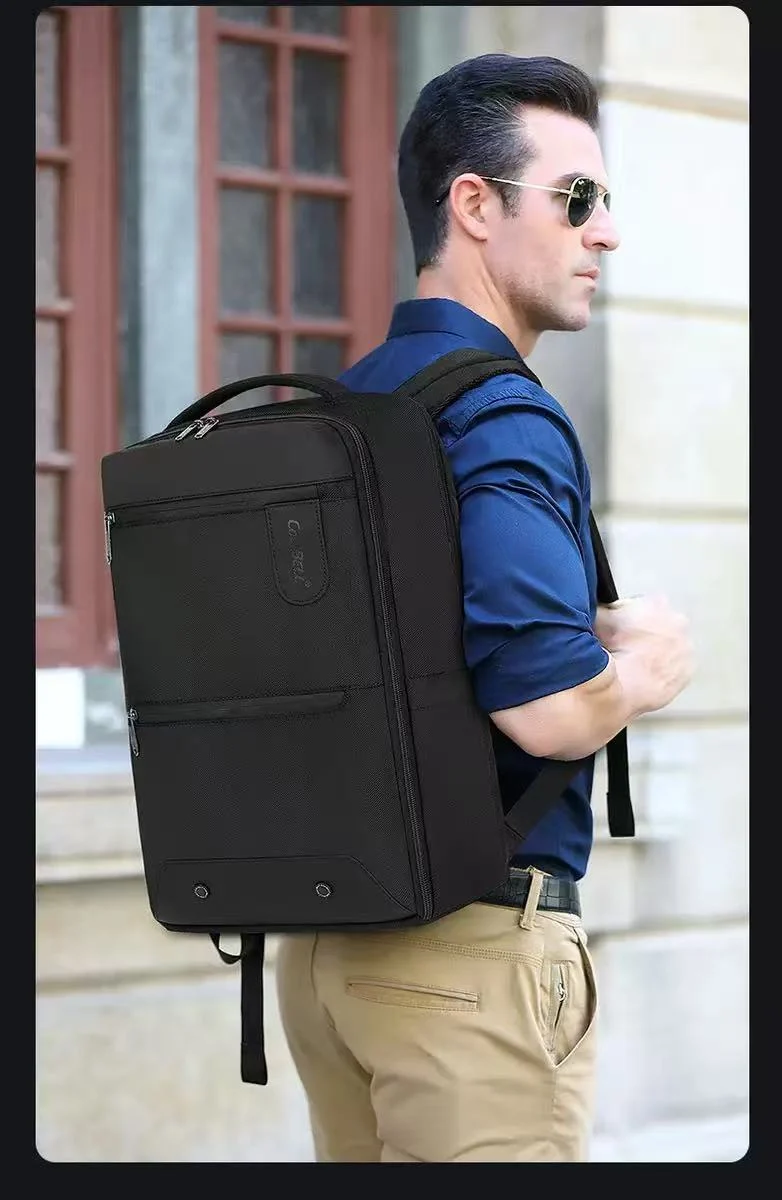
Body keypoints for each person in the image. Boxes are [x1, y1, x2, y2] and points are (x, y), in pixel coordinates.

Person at [274, 53, 694, 1163]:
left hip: (328, 956)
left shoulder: (353, 400)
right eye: (576, 198)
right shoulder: (500, 414)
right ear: (473, 205)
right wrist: (643, 669)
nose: (605, 232)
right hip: (467, 961)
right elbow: (546, 710)